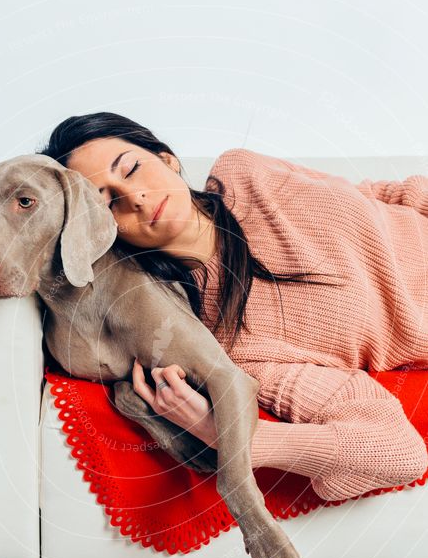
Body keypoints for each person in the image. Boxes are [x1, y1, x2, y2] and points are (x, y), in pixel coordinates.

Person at [39, 112, 428, 502]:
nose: (135, 198)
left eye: (132, 169)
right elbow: (397, 452)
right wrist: (223, 434)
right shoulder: (229, 343)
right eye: (107, 205)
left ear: (167, 159)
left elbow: (382, 194)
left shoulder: (245, 172)